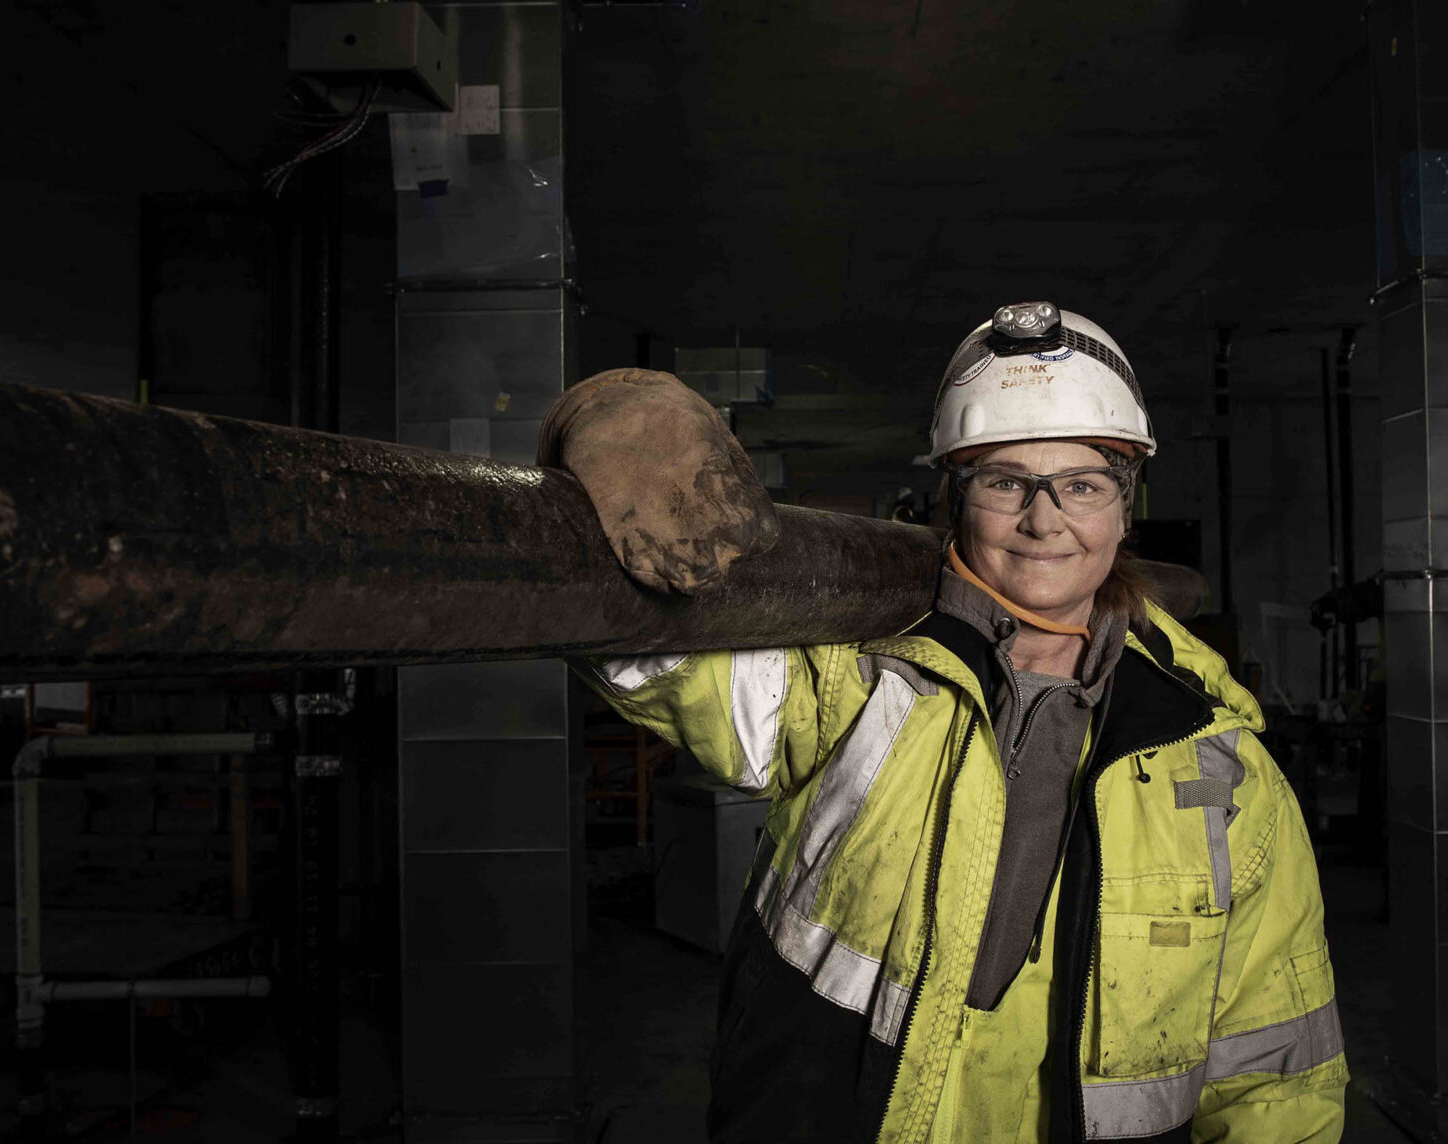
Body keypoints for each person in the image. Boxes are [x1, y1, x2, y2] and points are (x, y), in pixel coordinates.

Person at [540, 303, 1346, 1143]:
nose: (1045, 522)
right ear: (954, 496)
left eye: (1081, 485)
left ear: (1124, 503)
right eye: (1006, 482)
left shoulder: (1219, 770)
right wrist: (605, 409)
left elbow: (1277, 1074)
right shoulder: (849, 681)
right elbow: (651, 656)